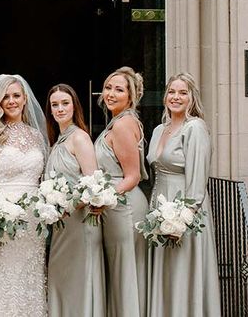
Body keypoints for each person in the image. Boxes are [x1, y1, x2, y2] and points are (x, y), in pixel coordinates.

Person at [0, 74, 48, 317]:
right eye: (6, 96)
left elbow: (42, 180)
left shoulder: (36, 136)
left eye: (16, 95)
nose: (11, 101)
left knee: (29, 279)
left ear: (25, 99)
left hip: (33, 225)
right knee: (1, 282)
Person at [146, 73, 221, 317]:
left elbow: (198, 180)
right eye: (171, 92)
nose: (176, 97)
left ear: (191, 99)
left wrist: (183, 218)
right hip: (159, 208)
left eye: (183, 92)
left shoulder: (195, 128)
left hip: (185, 211)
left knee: (182, 272)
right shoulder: (159, 130)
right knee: (166, 272)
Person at [45, 84, 106, 317]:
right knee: (61, 279)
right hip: (62, 226)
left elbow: (92, 186)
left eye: (64, 103)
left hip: (79, 223)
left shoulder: (79, 138)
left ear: (74, 106)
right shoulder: (57, 140)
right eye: (54, 105)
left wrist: (65, 206)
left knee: (79, 281)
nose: (60, 109)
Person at [94, 66, 149, 317]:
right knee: (120, 271)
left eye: (119, 89)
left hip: (124, 207)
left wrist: (102, 197)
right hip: (116, 206)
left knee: (126, 271)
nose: (111, 93)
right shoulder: (117, 122)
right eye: (108, 88)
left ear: (131, 96)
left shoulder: (123, 125)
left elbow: (133, 176)